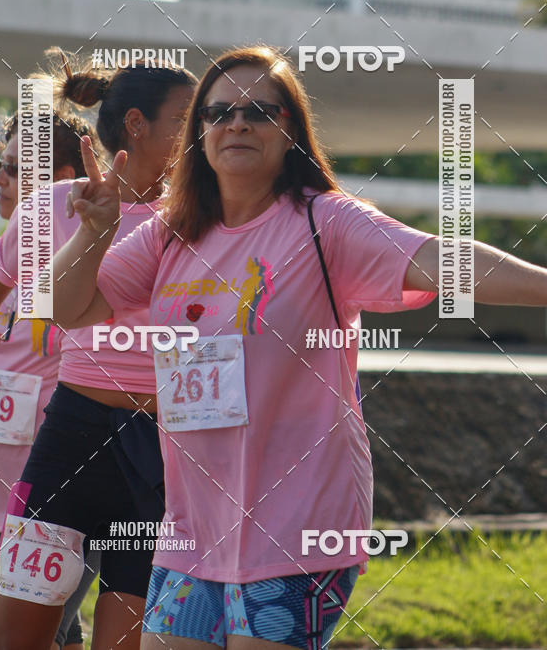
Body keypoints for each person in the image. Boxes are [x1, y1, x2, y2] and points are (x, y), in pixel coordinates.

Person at [51, 45, 547, 650]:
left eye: (260, 111)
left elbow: (445, 259)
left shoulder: (327, 223)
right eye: (218, 112)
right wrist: (93, 235)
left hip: (299, 526)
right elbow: (66, 308)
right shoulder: (168, 232)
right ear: (198, 135)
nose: (237, 123)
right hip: (193, 532)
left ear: (290, 131)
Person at [0, 52, 197, 650]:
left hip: (168, 450)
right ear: (136, 125)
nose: (208, 132)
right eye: (193, 120)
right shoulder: (52, 207)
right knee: (17, 640)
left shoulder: (210, 215)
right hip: (72, 436)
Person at [0, 107, 101, 650]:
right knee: (53, 627)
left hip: (65, 478)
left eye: (16, 170)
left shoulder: (100, 263)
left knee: (44, 623)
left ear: (66, 183)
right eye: (0, 165)